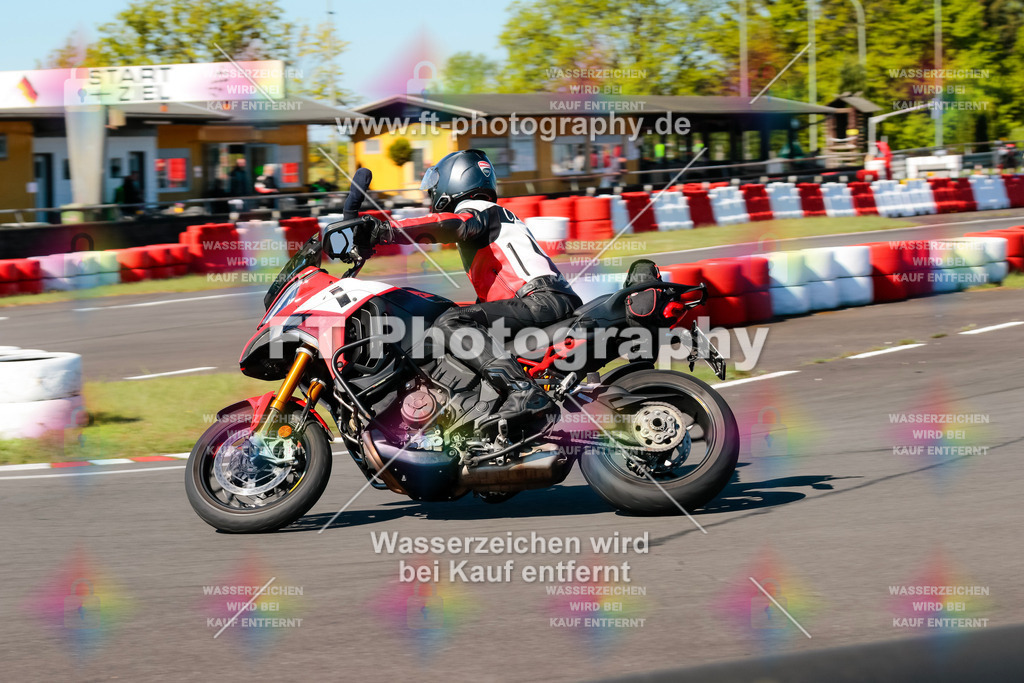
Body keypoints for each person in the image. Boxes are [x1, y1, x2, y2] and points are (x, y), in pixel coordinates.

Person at [356, 149, 582, 427]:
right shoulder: (496, 218)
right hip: (544, 299)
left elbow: (452, 226)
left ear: (455, 180)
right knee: (453, 317)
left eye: (435, 185)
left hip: (540, 300)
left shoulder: (478, 209)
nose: (432, 195)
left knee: (452, 321)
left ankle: (520, 390)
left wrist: (386, 230)